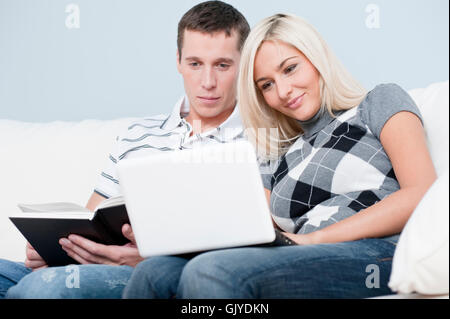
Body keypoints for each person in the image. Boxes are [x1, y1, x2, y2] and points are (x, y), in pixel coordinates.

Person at [122, 13, 437, 299]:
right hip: (297, 254)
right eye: (267, 84)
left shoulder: (377, 102)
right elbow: (247, 222)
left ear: (317, 58)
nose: (283, 90)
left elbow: (420, 191)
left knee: (212, 271)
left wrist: (315, 240)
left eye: (290, 68)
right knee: (155, 272)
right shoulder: (277, 147)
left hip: (374, 252)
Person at [0, 0, 250, 299]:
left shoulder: (257, 141)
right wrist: (57, 248)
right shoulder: (137, 134)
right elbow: (90, 217)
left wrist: (148, 260)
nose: (207, 82)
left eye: (222, 65)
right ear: (178, 61)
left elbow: (240, 253)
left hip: (140, 276)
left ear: (244, 64)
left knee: (44, 288)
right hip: (82, 267)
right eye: (195, 63)